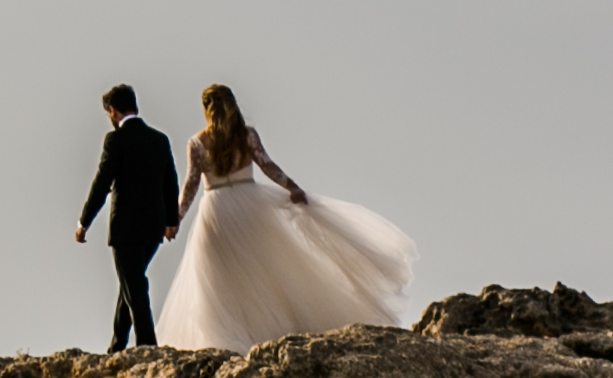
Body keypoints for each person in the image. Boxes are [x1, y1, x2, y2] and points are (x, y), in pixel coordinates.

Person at [152, 83, 418, 351]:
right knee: (262, 272)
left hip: (217, 212)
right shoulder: (246, 136)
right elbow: (267, 166)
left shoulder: (197, 143)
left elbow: (191, 185)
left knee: (221, 280)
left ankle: (232, 338)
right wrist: (292, 187)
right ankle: (265, 331)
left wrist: (175, 220)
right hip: (251, 206)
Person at [73, 84, 183, 352]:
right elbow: (171, 182)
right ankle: (117, 347)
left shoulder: (115, 141)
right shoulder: (160, 139)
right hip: (153, 228)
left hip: (125, 228)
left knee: (134, 286)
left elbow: (102, 183)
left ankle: (148, 346)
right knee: (130, 283)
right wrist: (171, 221)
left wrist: (83, 222)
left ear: (112, 111)